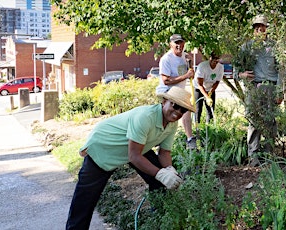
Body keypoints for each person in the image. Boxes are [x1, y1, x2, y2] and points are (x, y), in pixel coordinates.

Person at [66, 87, 195, 229]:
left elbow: (164, 152)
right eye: (175, 106)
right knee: (85, 202)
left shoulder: (172, 123)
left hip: (138, 146)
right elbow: (134, 156)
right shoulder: (145, 117)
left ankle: (160, 220)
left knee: (159, 181)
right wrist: (160, 174)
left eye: (182, 110)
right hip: (104, 146)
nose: (178, 112)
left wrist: (169, 170)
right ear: (164, 101)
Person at [235, 14, 283, 166]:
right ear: (253, 30)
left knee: (270, 121)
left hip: (270, 87)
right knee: (254, 121)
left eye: (262, 28)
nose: (259, 31)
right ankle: (253, 155)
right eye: (257, 28)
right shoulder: (246, 47)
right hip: (253, 88)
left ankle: (269, 155)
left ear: (266, 29)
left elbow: (281, 69)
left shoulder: (274, 47)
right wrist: (241, 74)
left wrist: (280, 91)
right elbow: (236, 69)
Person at [156, 34, 197, 150]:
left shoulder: (185, 56)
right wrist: (186, 76)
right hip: (167, 93)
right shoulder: (166, 59)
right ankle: (160, 145)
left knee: (186, 111)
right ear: (170, 45)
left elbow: (189, 72)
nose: (179, 45)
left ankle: (190, 141)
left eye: (181, 43)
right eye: (176, 43)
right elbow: (166, 80)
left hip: (179, 93)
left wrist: (190, 67)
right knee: (167, 121)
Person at [194, 52, 224, 123]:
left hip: (210, 89)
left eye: (217, 60)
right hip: (199, 89)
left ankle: (208, 127)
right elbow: (200, 84)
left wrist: (210, 92)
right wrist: (206, 97)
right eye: (214, 60)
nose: (215, 62)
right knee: (198, 110)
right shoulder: (202, 66)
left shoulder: (220, 67)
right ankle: (197, 128)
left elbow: (217, 82)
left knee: (210, 110)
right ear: (210, 58)